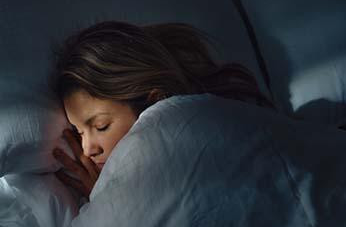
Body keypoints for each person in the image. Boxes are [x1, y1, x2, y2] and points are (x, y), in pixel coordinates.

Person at [48, 20, 273, 201]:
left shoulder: (221, 127)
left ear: (154, 102)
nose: (87, 149)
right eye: (78, 133)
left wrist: (108, 201)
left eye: (101, 126)